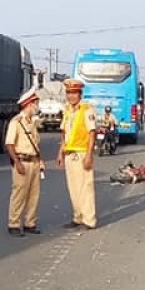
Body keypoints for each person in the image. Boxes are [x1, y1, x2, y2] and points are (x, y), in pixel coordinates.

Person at [4, 87, 45, 237]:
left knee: (34, 194)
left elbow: (35, 144)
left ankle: (30, 223)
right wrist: (17, 162)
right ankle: (13, 224)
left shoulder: (31, 123)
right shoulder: (16, 122)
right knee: (19, 194)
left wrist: (40, 160)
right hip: (22, 161)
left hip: (34, 162)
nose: (37, 106)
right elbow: (9, 144)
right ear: (28, 104)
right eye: (35, 103)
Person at [57, 78, 97, 230]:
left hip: (82, 153)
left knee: (85, 187)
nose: (71, 96)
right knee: (73, 188)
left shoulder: (87, 110)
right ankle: (77, 217)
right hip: (69, 153)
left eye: (74, 93)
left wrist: (89, 156)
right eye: (68, 93)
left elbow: (92, 133)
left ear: (80, 94)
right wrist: (60, 153)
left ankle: (89, 219)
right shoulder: (67, 110)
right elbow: (64, 133)